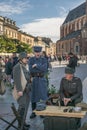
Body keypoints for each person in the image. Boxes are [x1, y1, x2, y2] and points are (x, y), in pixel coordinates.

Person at [29, 46, 48, 119]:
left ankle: (41, 112)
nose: (37, 53)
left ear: (41, 52)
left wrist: (36, 65)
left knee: (42, 96)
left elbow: (45, 69)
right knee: (33, 96)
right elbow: (31, 70)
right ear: (34, 52)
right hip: (34, 79)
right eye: (36, 52)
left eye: (39, 52)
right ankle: (33, 112)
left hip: (42, 79)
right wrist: (40, 68)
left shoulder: (44, 59)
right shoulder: (31, 60)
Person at [13, 52, 31, 130]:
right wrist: (19, 90)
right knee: (22, 108)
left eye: (27, 58)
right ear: (21, 59)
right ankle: (20, 125)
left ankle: (23, 122)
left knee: (25, 108)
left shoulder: (24, 66)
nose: (27, 60)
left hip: (26, 90)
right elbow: (17, 80)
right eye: (25, 58)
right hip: (22, 91)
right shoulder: (17, 67)